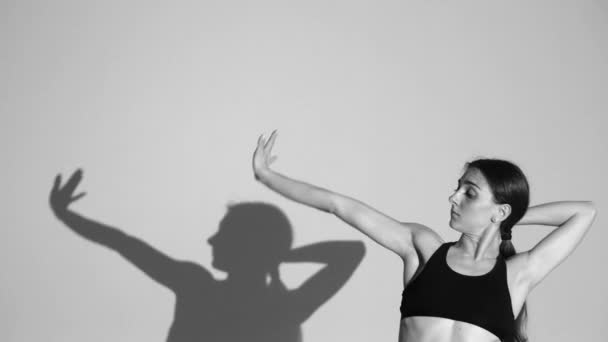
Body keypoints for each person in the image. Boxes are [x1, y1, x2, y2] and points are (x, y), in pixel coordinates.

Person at [252, 130, 598, 342]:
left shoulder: (517, 274)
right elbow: (338, 205)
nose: (454, 197)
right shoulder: (423, 249)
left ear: (499, 210)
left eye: (470, 193)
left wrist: (510, 221)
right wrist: (267, 176)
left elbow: (584, 213)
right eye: (457, 188)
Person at [49, 169, 365, 342]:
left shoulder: (195, 286)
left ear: (245, 245)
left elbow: (123, 243)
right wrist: (277, 256)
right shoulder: (285, 309)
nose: (211, 239)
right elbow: (351, 253)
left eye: (223, 233)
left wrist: (65, 215)